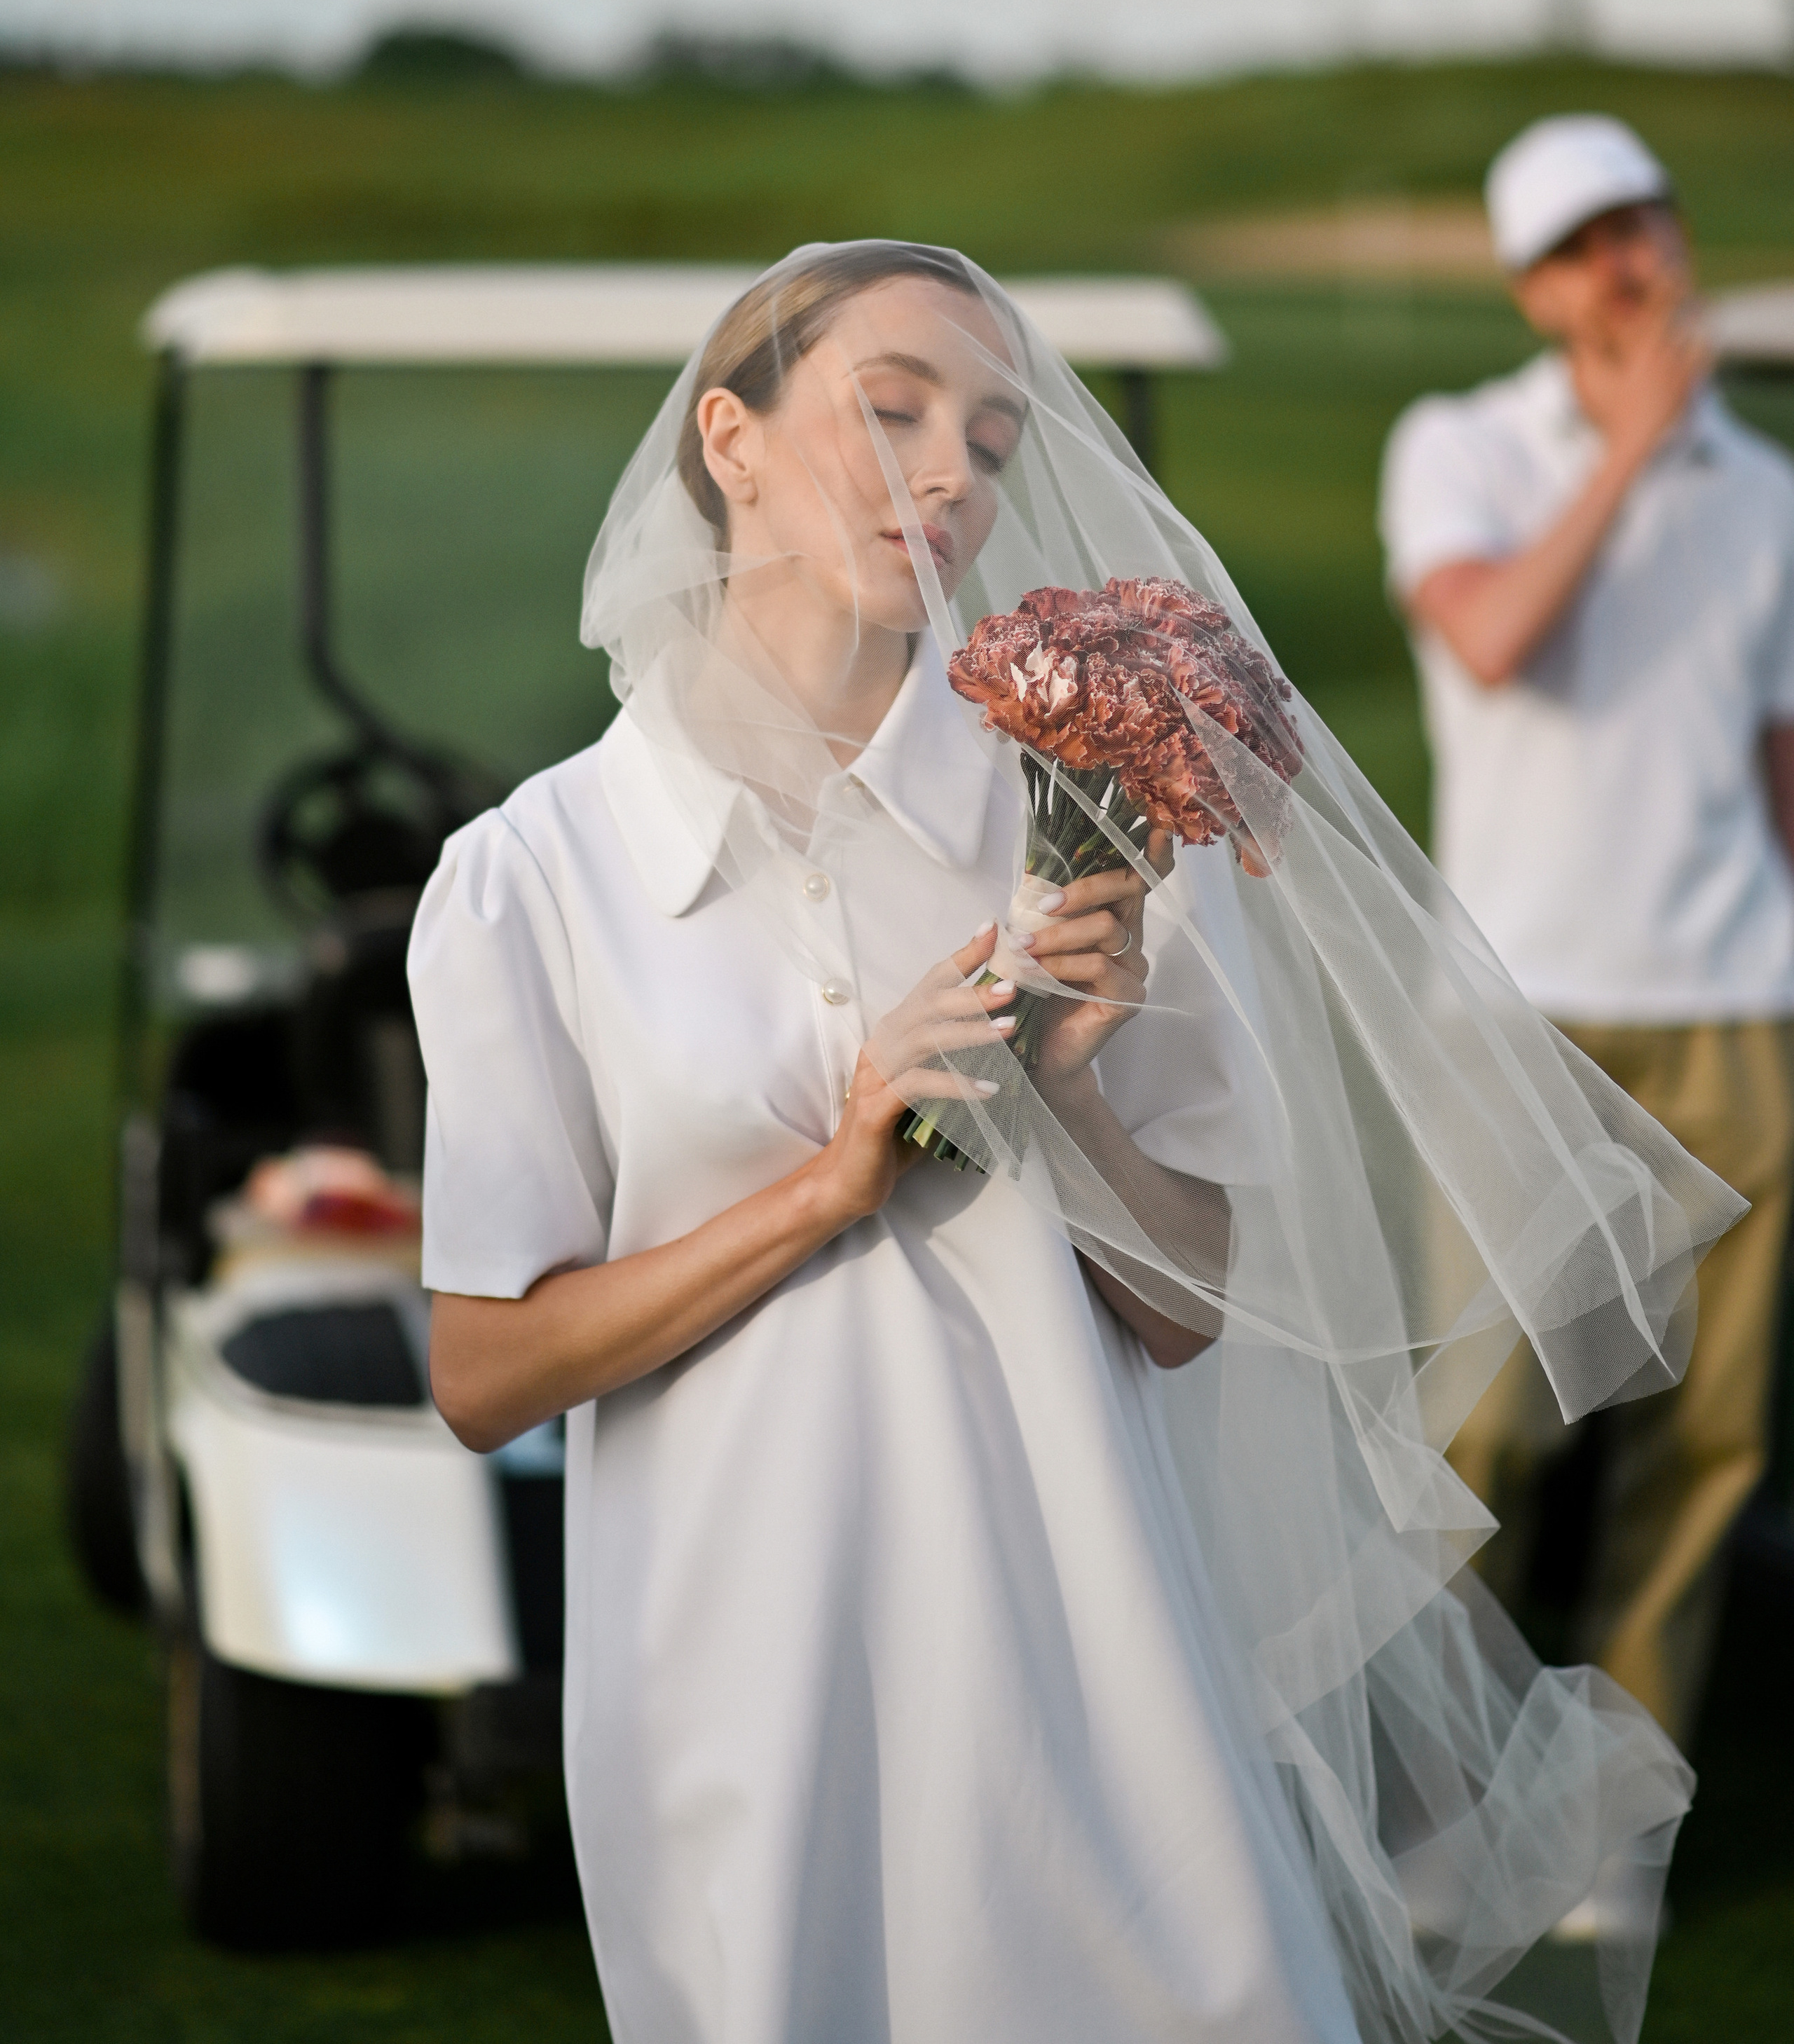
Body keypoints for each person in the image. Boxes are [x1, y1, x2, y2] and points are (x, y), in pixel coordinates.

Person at [411, 239, 1737, 2044]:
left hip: (1090, 1655)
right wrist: (829, 1182)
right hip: (740, 1672)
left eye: (991, 435)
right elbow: (486, 1371)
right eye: (889, 412)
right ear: (727, 439)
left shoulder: (1091, 822)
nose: (952, 469)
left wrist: (1074, 1096)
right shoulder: (534, 878)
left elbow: (1187, 1309)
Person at [1379, 113, 1794, 1767]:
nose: (1618, 263)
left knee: (1702, 1445)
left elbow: (1774, 768)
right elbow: (1486, 638)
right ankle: (1441, 1791)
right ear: (1526, 290)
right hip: (1514, 1007)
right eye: (1573, 247)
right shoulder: (1458, 444)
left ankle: (1613, 1798)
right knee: (1483, 1427)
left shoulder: (1767, 495)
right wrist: (1625, 450)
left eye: (1634, 224)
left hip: (1734, 1004)